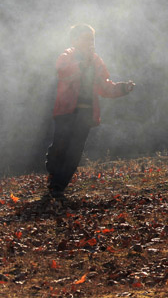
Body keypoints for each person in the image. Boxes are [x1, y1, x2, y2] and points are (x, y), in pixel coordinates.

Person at [45, 24, 136, 200]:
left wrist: (123, 88)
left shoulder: (96, 61)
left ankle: (58, 187)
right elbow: (62, 72)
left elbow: (105, 86)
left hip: (86, 114)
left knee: (75, 151)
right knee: (60, 146)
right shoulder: (67, 56)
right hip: (65, 111)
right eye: (86, 38)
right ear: (74, 40)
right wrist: (82, 64)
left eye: (92, 39)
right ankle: (53, 171)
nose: (90, 42)